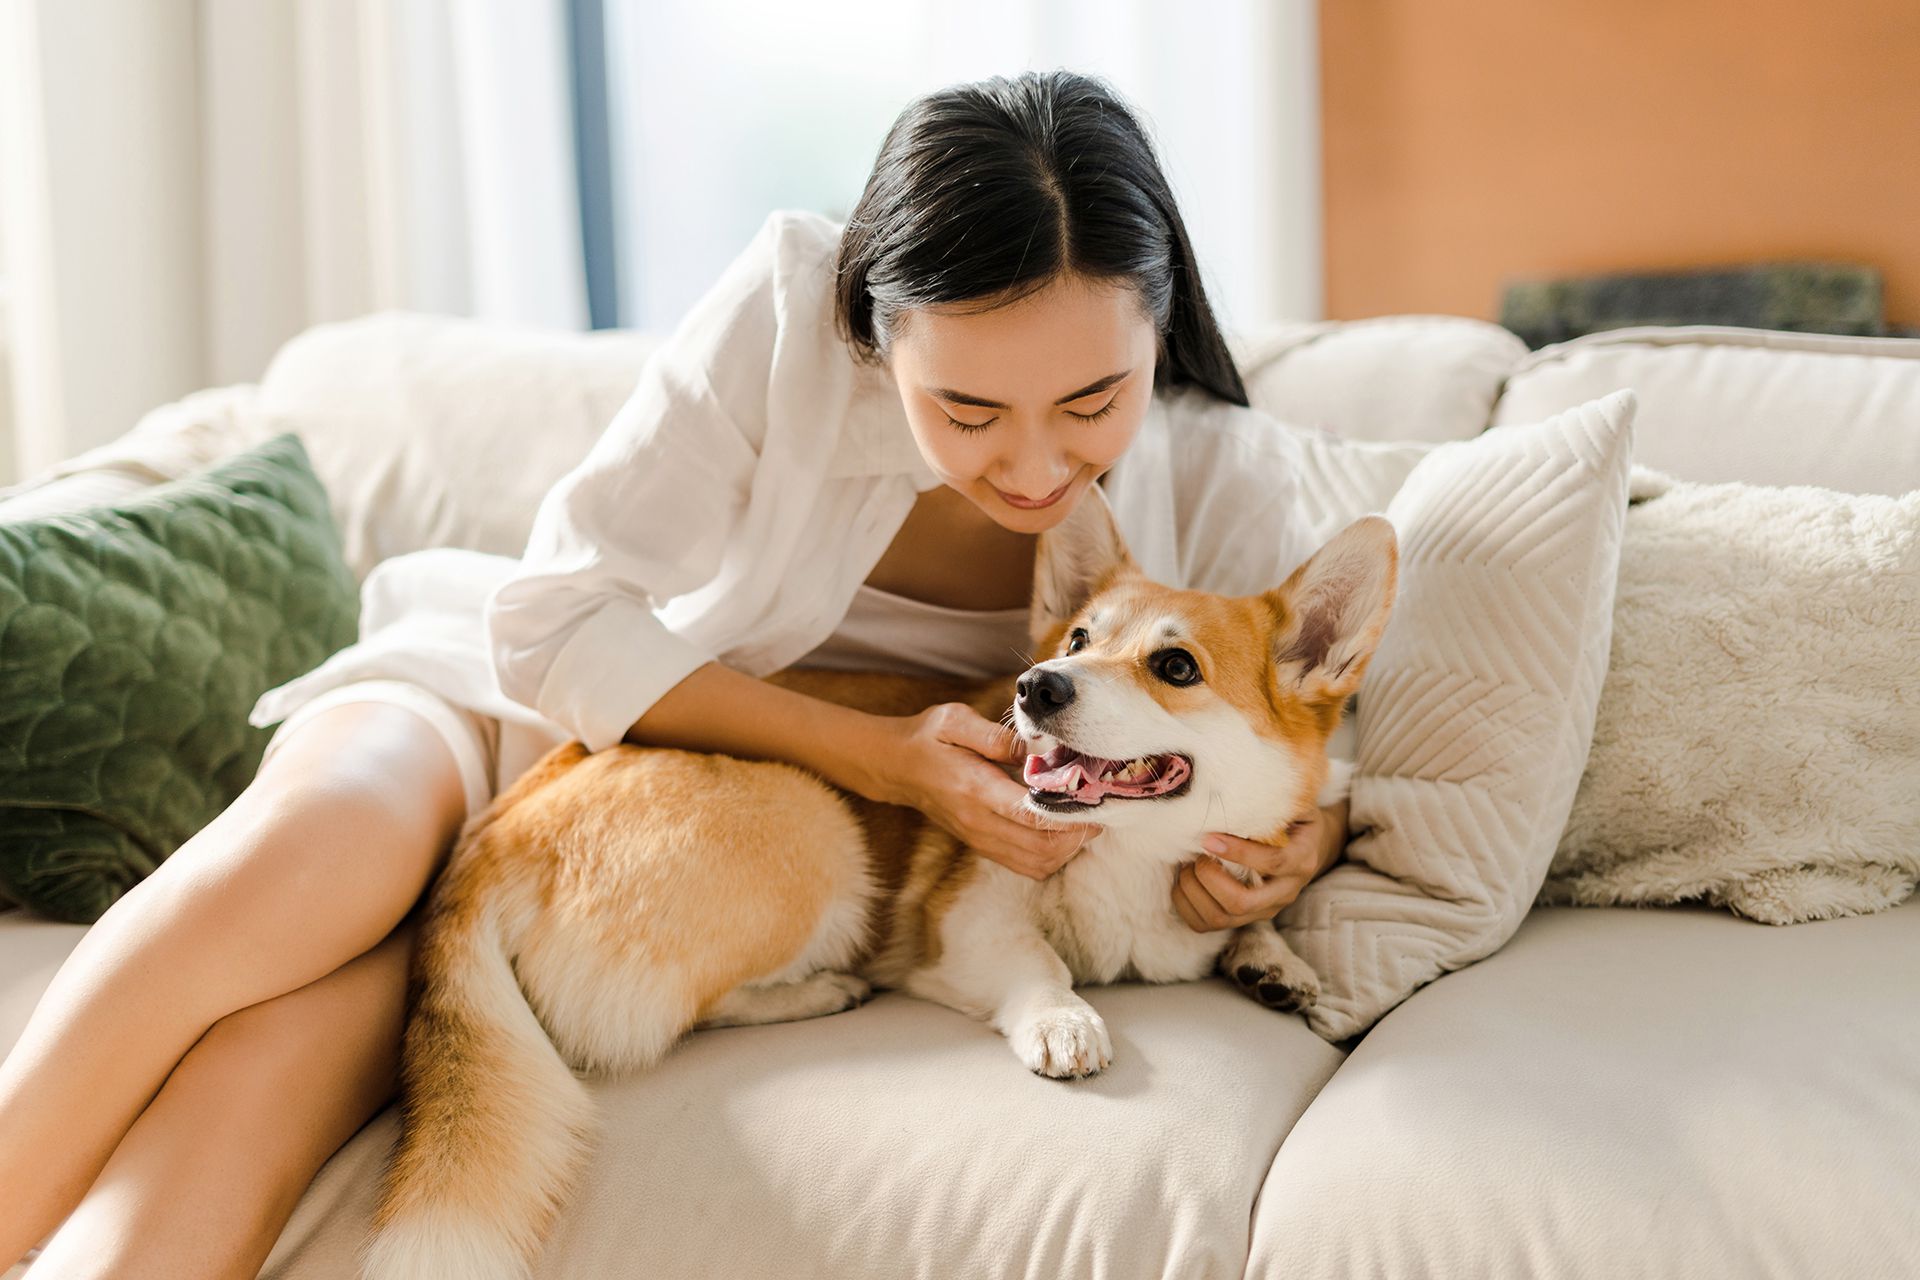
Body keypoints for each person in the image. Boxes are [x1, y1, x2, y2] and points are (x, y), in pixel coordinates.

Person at [0, 69, 1350, 1277]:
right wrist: (880, 757)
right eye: (968, 411)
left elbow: (1310, 742)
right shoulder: (781, 316)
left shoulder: (1223, 476)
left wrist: (1292, 847)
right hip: (515, 711)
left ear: (1157, 330)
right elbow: (551, 619)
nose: (1040, 467)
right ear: (881, 341)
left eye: (1092, 402)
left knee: (294, 1045)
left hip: (650, 848)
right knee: (295, 872)